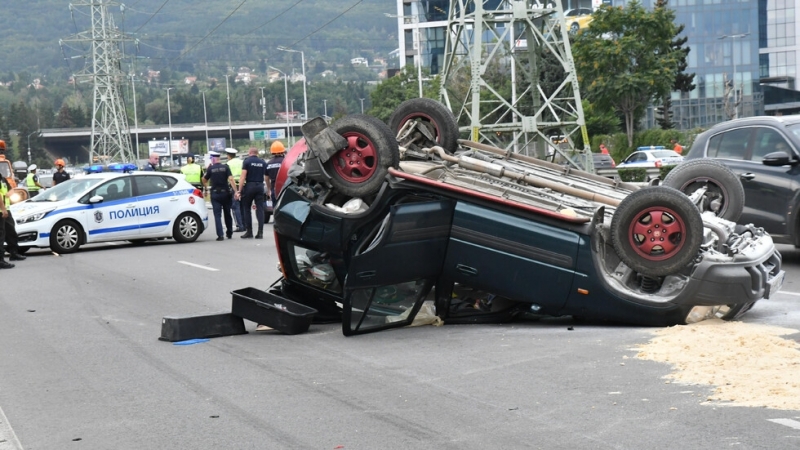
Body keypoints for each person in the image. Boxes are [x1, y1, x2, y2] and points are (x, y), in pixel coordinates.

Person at [202, 151, 238, 241]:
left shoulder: (211, 168)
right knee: (227, 213)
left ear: (213, 159)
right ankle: (229, 233)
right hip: (225, 193)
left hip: (215, 194)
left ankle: (220, 235)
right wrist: (236, 191)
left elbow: (204, 180)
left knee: (217, 215)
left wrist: (206, 189)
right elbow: (231, 179)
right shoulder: (225, 167)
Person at [237, 147, 269, 239]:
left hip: (250, 186)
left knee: (246, 208)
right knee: (260, 209)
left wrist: (239, 190)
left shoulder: (247, 161)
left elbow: (243, 177)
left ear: (250, 152)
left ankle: (249, 231)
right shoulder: (262, 162)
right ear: (257, 153)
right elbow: (266, 176)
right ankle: (260, 232)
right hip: (260, 186)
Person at [0, 176, 26, 268]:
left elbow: (11, 190)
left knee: (11, 232)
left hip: (5, 210)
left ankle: (14, 253)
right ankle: (1, 260)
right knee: (1, 236)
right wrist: (3, 209)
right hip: (2, 210)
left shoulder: (2, 178)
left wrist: (8, 193)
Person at [265, 141, 286, 223]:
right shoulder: (285, 161)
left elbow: (266, 178)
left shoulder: (269, 163)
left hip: (275, 188)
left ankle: (277, 221)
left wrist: (269, 189)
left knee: (275, 206)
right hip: (285, 188)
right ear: (282, 151)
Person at [225, 148, 246, 232]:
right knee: (243, 206)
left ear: (228, 155)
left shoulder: (228, 163)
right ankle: (245, 225)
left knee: (235, 206)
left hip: (234, 187)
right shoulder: (241, 162)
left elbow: (229, 178)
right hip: (243, 185)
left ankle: (239, 226)